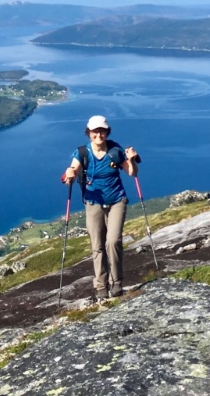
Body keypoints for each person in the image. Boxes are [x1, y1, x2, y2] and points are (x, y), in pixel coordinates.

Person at [62, 115, 139, 299]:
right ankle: (101, 287)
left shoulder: (115, 150)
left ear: (107, 132)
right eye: (95, 131)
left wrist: (132, 160)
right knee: (97, 246)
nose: (99, 134)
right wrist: (69, 174)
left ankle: (117, 283)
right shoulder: (82, 153)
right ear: (88, 133)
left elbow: (131, 173)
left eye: (102, 130)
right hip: (93, 203)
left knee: (112, 242)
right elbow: (71, 175)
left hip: (116, 201)